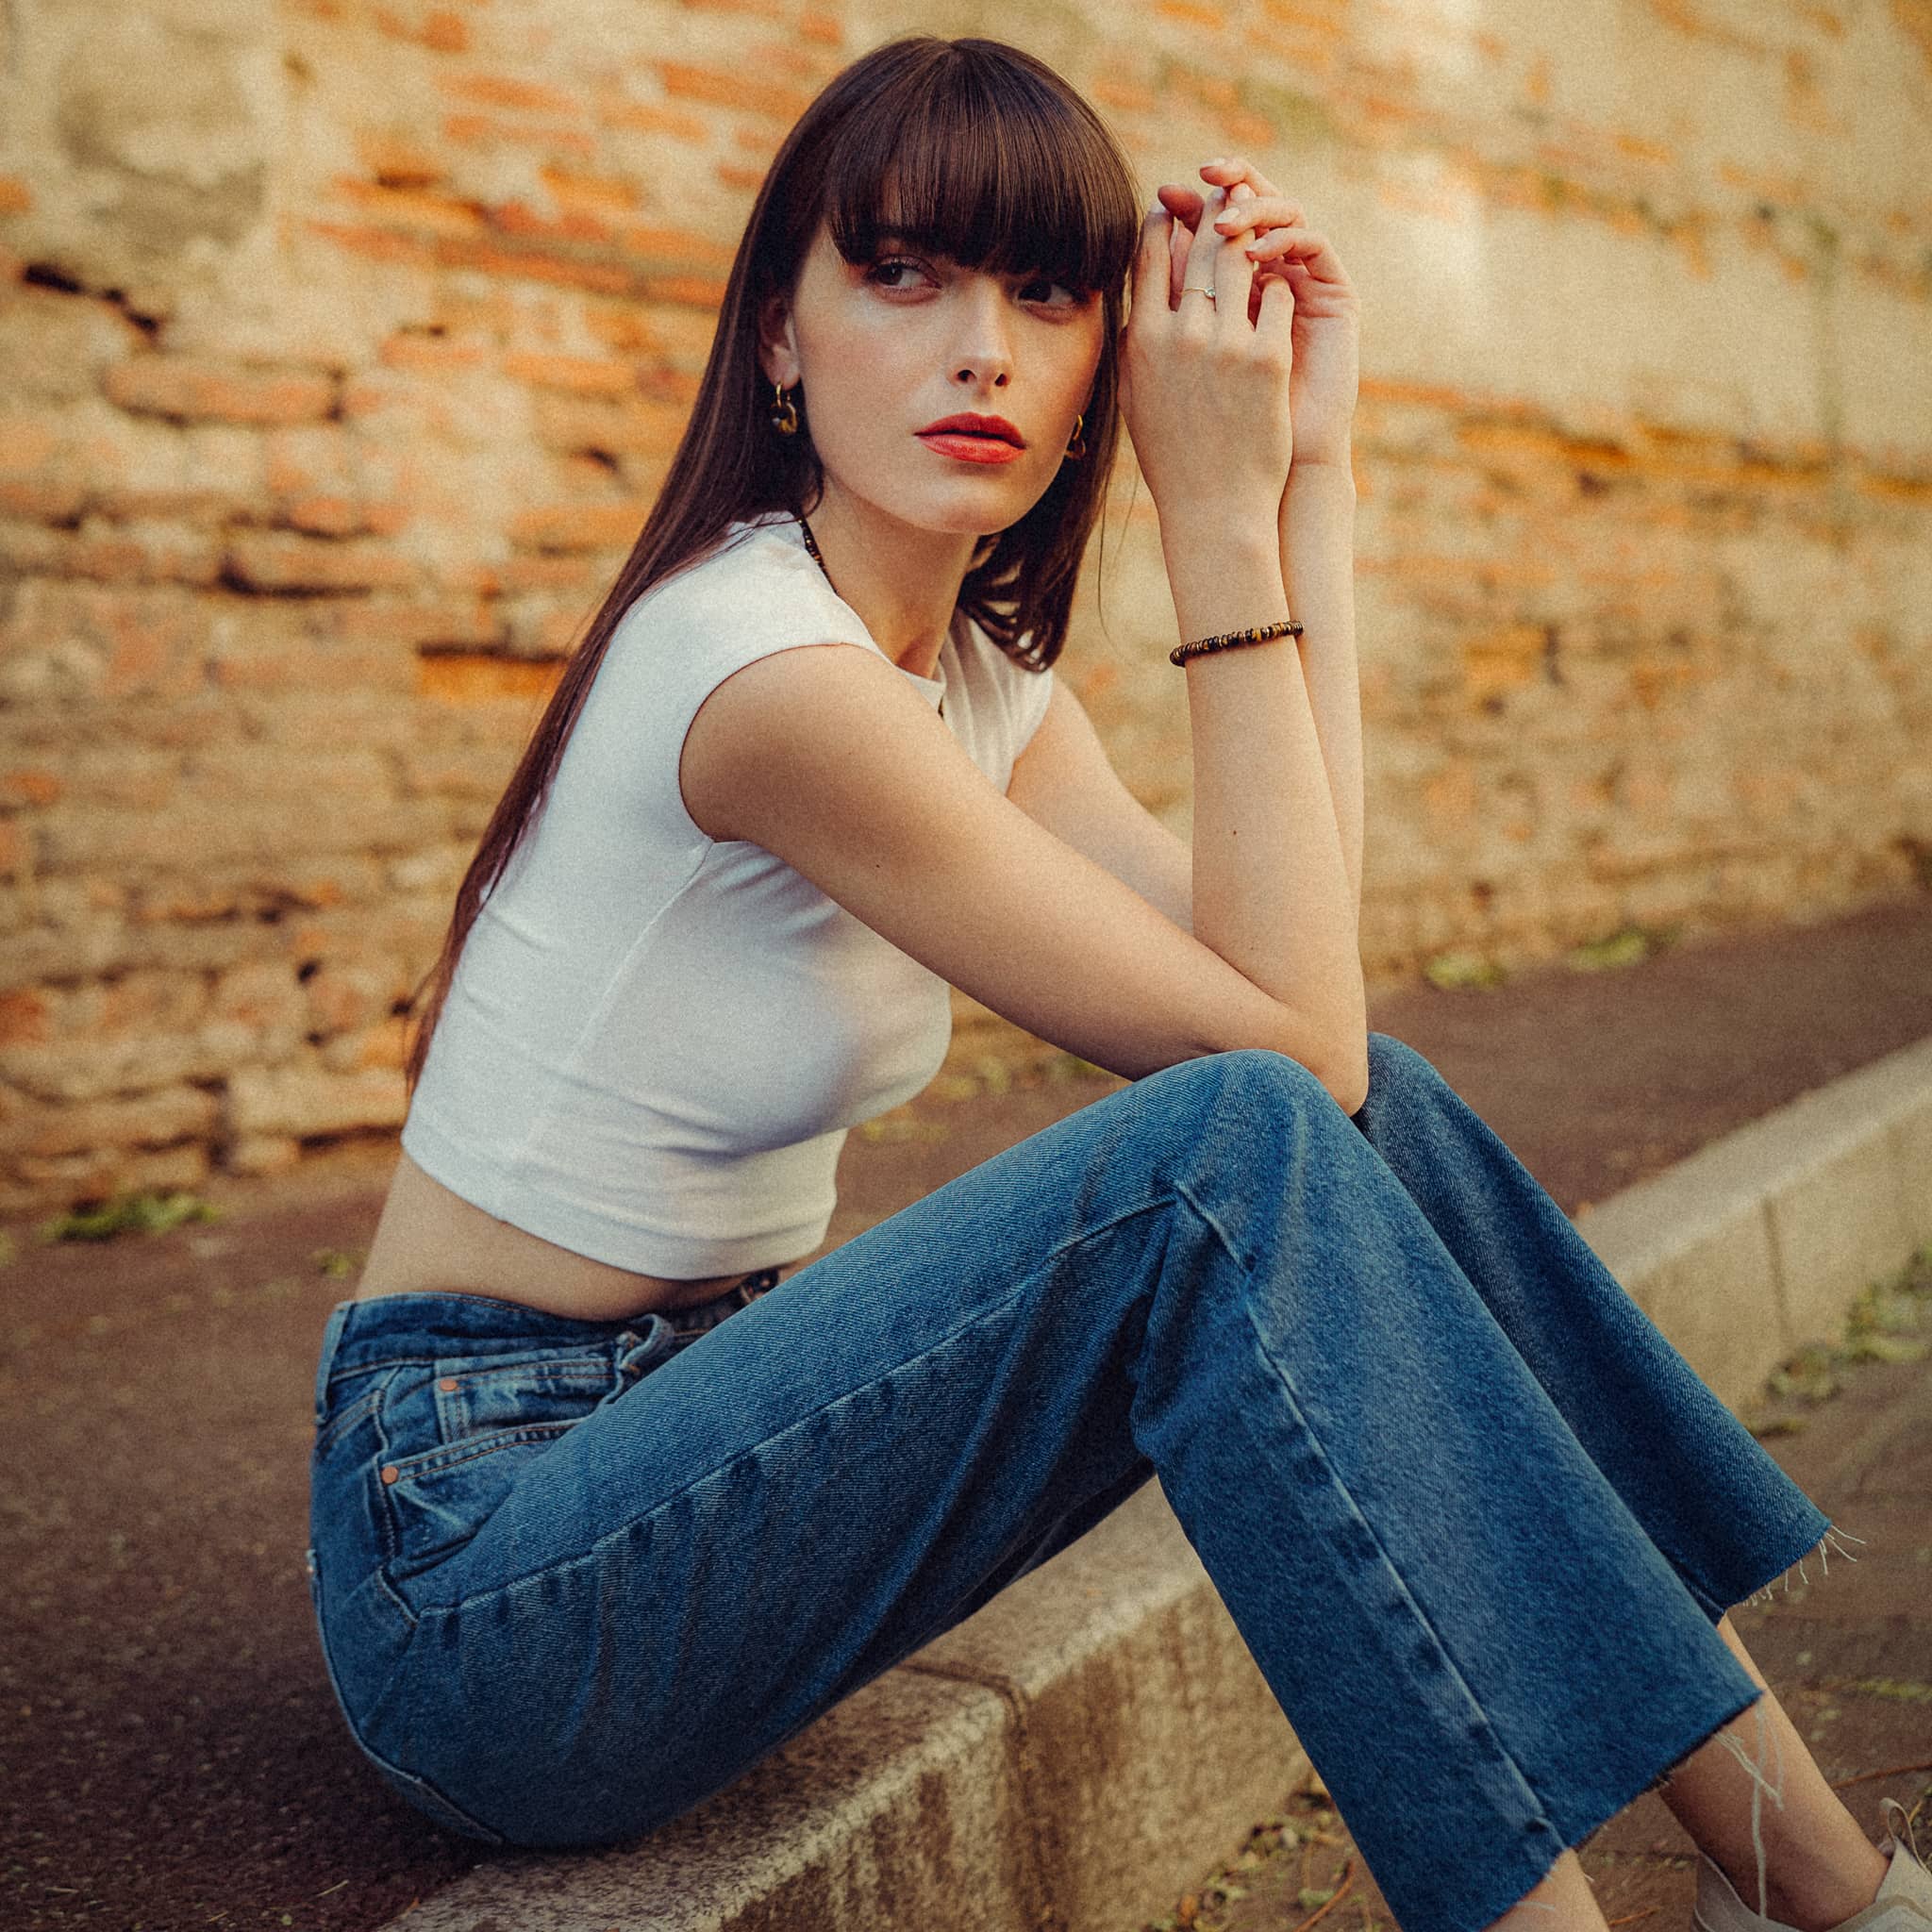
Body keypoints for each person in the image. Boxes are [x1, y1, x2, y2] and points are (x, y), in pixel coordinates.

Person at [304, 34, 1930, 1932]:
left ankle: (1812, 1886)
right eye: (901, 276)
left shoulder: (974, 684)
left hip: (696, 1445)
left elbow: (1300, 971)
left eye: (1045, 291)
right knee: (1227, 1146)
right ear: (777, 338)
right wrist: (1215, 525)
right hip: (485, 1574)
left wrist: (1302, 471)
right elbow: (1281, 1057)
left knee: (1359, 1113)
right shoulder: (762, 680)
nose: (977, 344)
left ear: (1107, 361)